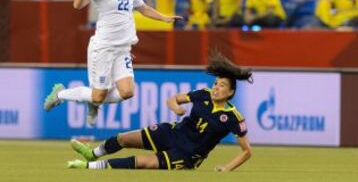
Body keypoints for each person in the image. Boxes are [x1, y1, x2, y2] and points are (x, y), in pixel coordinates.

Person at [43, 0, 182, 126]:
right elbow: (77, 4)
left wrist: (164, 18)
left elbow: (143, 8)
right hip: (103, 48)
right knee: (98, 95)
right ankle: (60, 94)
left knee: (127, 92)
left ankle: (93, 101)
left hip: (123, 49)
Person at [67, 52, 253, 171]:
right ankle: (92, 154)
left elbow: (247, 151)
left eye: (222, 85)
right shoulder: (203, 94)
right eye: (215, 83)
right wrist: (176, 108)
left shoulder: (233, 118)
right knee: (124, 138)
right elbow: (172, 99)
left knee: (143, 163)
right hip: (174, 133)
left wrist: (227, 169)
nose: (216, 87)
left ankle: (89, 166)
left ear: (231, 92)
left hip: (187, 155)